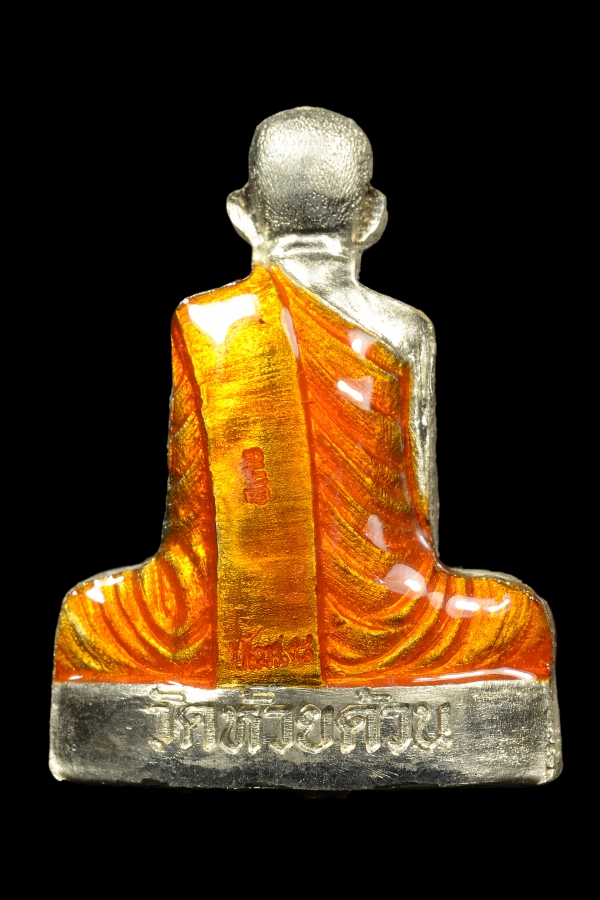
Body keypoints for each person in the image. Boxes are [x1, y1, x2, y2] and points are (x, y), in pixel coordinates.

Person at [54, 107, 553, 688]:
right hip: (385, 624)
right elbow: (420, 518)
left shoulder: (203, 323)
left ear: (242, 215)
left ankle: (237, 670)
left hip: (211, 625)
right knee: (517, 622)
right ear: (372, 216)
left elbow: (188, 518)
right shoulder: (404, 331)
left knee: (88, 619)